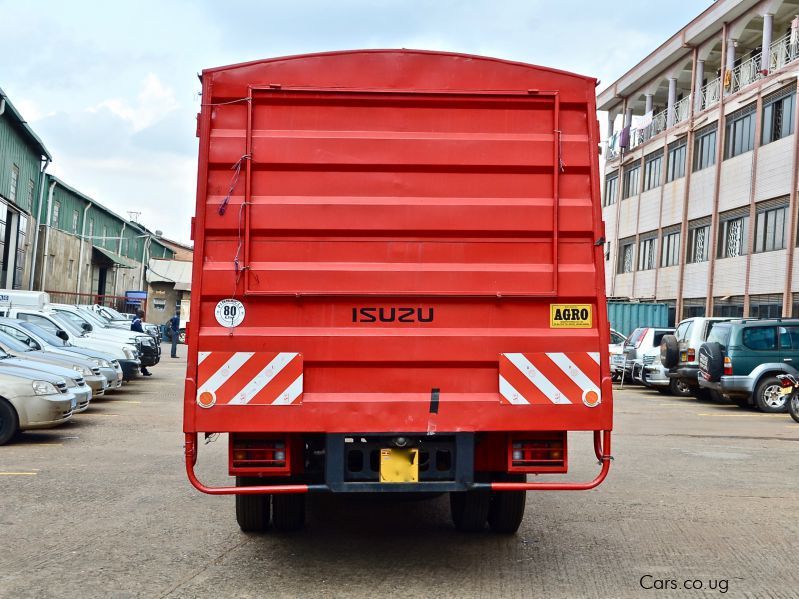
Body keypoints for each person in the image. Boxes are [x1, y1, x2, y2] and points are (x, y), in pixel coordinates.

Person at [131, 309, 152, 376]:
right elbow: (138, 329)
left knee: (140, 355)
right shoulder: (137, 320)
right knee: (141, 355)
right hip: (137, 339)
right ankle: (143, 370)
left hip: (135, 338)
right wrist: (143, 333)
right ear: (140, 314)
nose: (143, 315)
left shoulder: (135, 319)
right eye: (143, 313)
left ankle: (144, 370)